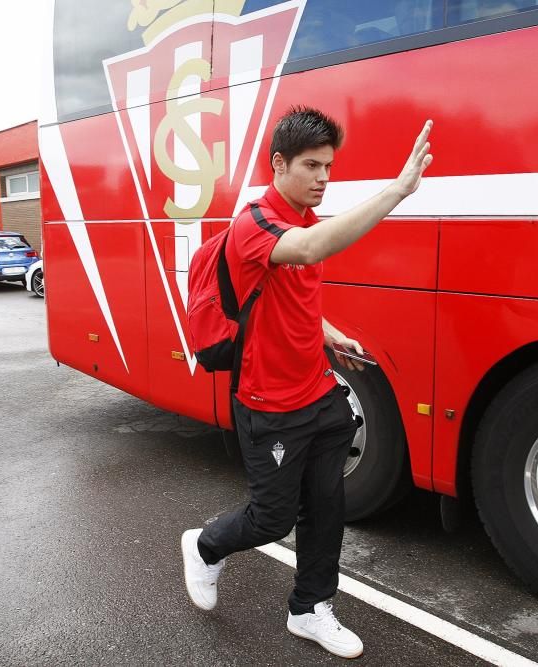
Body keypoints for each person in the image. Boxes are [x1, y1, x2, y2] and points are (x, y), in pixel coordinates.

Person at [181, 108, 432, 659]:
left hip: (320, 396)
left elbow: (290, 300)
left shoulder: (303, 221)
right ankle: (204, 546)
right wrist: (397, 191)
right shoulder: (256, 225)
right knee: (271, 519)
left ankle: (311, 609)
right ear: (279, 164)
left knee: (327, 509)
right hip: (268, 406)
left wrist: (331, 335)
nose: (324, 177)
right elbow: (309, 252)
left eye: (329, 166)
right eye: (312, 165)